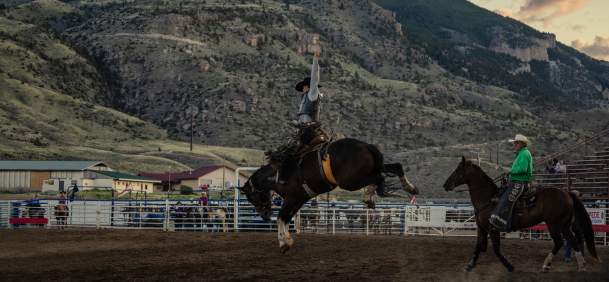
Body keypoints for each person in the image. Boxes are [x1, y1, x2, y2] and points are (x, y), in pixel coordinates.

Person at [489, 134, 534, 231]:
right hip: (515, 181)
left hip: (520, 183)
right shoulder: (522, 153)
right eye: (514, 143)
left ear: (521, 143)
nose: (514, 144)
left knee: (506, 200)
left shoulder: (525, 154)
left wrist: (508, 171)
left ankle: (502, 224)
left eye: (516, 143)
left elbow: (522, 169)